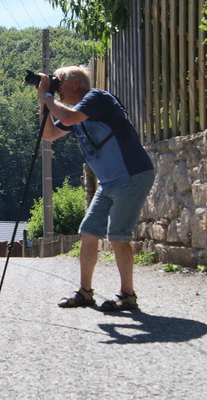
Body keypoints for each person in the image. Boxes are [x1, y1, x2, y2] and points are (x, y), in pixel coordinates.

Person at [36, 66, 154, 312]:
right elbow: (48, 134)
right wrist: (44, 102)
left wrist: (48, 97)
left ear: (76, 82)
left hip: (131, 174)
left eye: (58, 81)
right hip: (110, 181)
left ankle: (127, 295)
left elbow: (67, 118)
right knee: (88, 232)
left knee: (118, 236)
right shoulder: (75, 112)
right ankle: (85, 292)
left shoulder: (97, 98)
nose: (56, 86)